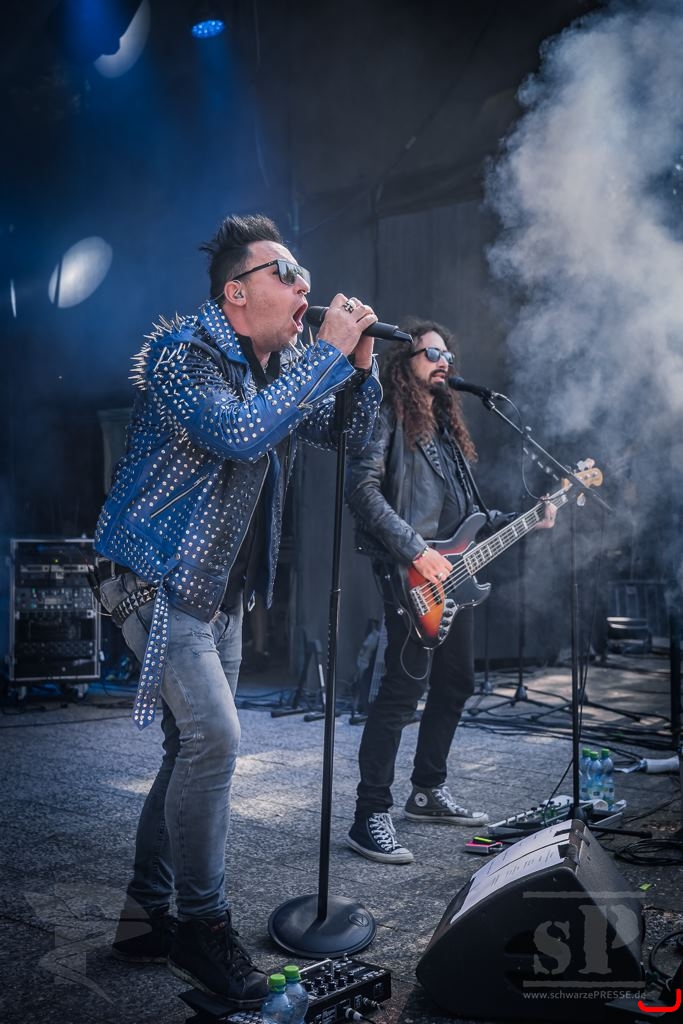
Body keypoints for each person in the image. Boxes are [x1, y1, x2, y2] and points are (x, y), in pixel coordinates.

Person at [92, 214, 381, 1004]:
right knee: (215, 738)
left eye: (303, 274)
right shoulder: (185, 355)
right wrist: (324, 354)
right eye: (284, 272)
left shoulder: (274, 368)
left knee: (185, 750)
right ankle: (202, 927)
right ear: (235, 292)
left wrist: (358, 368)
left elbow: (348, 437)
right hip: (152, 578)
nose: (303, 285)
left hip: (215, 592)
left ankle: (144, 917)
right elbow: (240, 434)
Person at [344, 318, 555, 864]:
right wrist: (416, 550)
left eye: (447, 356)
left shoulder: (445, 428)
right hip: (410, 573)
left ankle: (426, 790)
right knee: (401, 691)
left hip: (453, 579)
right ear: (404, 363)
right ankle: (369, 815)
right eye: (431, 354)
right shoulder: (388, 413)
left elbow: (471, 519)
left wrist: (528, 518)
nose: (443, 363)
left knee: (456, 682)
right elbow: (361, 489)